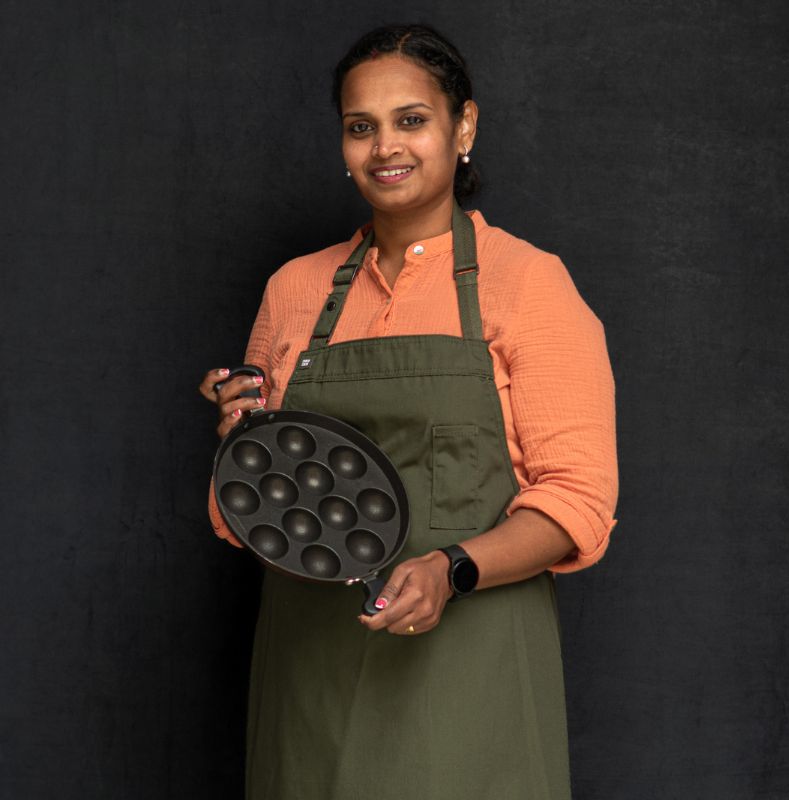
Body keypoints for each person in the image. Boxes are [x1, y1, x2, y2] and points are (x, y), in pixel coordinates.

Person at [198, 23, 618, 800]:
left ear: (464, 126)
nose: (385, 147)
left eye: (411, 120)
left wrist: (450, 570)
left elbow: (578, 501)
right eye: (362, 127)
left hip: (472, 678)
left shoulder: (528, 285)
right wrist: (242, 450)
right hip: (310, 680)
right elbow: (255, 514)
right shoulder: (296, 290)